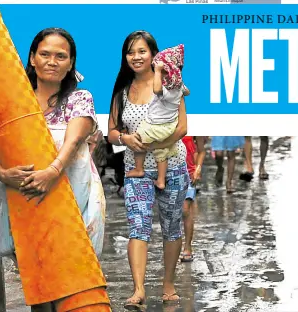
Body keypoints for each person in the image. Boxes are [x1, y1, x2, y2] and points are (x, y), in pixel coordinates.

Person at [0, 27, 106, 312]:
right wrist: (3, 174)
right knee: (37, 285)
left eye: (61, 56)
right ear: (33, 58)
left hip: (74, 201)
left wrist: (53, 171)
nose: (53, 61)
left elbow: (75, 138)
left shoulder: (80, 99)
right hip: (26, 201)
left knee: (72, 284)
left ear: (71, 63)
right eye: (45, 54)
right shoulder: (12, 104)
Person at [107, 30, 190, 308]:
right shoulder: (121, 91)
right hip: (135, 170)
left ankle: (168, 284)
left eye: (142, 51)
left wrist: (157, 144)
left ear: (154, 55)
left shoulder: (171, 82)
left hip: (174, 166)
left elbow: (182, 128)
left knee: (171, 227)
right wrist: (126, 139)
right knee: (138, 227)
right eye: (131, 52)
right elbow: (111, 133)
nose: (136, 57)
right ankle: (138, 289)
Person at [125, 44, 190, 190]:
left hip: (156, 125)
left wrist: (158, 72)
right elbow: (187, 91)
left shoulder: (166, 90)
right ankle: (161, 180)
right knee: (162, 153)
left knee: (138, 139)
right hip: (168, 126)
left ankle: (139, 168)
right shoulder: (178, 88)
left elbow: (157, 89)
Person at [180, 136, 206, 262]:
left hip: (189, 173)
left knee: (185, 210)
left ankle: (187, 246)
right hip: (167, 171)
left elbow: (201, 150)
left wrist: (198, 168)